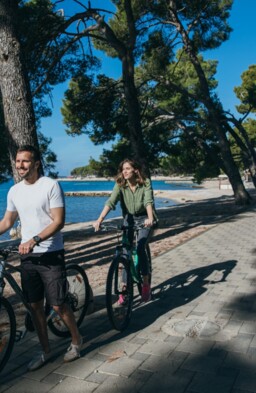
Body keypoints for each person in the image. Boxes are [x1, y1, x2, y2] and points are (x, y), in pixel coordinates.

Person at [0, 145, 82, 371]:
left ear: (36, 163)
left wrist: (34, 240)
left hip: (50, 254)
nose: (20, 166)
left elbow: (58, 221)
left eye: (25, 161)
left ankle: (76, 341)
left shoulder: (51, 185)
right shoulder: (14, 191)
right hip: (28, 257)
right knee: (34, 307)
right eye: (17, 161)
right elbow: (7, 223)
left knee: (57, 305)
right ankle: (45, 351)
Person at [94, 158, 157, 302]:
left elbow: (148, 201)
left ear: (135, 170)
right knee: (125, 252)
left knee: (140, 247)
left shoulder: (145, 183)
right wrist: (99, 219)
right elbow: (111, 201)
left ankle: (146, 283)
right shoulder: (120, 184)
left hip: (143, 218)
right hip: (128, 218)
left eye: (128, 169)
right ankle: (124, 286)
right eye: (123, 169)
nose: (125, 172)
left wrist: (149, 218)